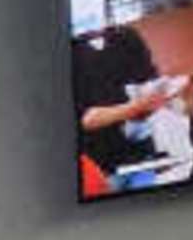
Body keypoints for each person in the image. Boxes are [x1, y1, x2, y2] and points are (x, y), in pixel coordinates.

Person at [73, 23, 183, 179]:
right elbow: (86, 120)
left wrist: (151, 103)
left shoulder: (126, 37)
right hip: (99, 166)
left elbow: (146, 83)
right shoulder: (73, 54)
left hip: (139, 157)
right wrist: (138, 106)